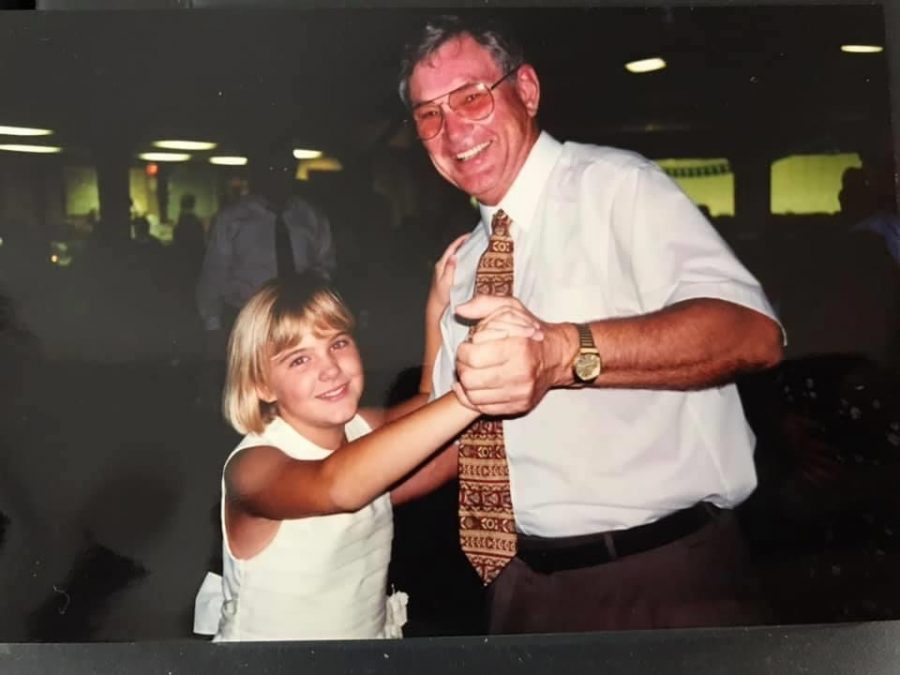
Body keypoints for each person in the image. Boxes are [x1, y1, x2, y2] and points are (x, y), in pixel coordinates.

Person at [396, 14, 785, 633]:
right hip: (519, 587)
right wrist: (312, 475)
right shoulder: (467, 262)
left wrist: (561, 352)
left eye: (471, 97)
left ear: (525, 90)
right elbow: (450, 442)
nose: (452, 130)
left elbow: (751, 333)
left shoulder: (617, 188)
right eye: (428, 115)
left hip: (662, 580)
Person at [193, 243, 539, 640]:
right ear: (260, 385)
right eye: (299, 359)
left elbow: (425, 407)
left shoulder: (359, 426)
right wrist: (477, 393)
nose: (330, 368)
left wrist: (436, 311)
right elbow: (336, 485)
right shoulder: (252, 468)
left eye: (338, 343)